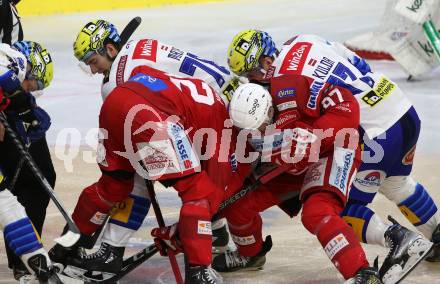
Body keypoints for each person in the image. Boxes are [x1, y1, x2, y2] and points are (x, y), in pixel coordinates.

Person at [225, 29, 438, 279]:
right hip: (398, 107)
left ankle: (400, 241)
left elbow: (313, 131)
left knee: (333, 207)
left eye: (251, 73)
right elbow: (357, 62)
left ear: (267, 62)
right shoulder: (302, 40)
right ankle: (437, 232)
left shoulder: (285, 85)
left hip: (374, 132)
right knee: (396, 182)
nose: (250, 80)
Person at [49, 19, 239, 278]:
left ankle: (111, 248)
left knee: (138, 181)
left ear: (111, 49)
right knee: (197, 182)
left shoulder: (116, 81)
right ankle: (213, 231)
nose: (94, 71)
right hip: (217, 96)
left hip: (209, 114)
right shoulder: (141, 46)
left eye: (94, 61)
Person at [0, 41, 60, 282]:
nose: (30, 91)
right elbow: (6, 79)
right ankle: (26, 258)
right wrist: (22, 104)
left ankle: (24, 258)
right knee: (26, 184)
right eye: (33, 85)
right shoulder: (14, 62)